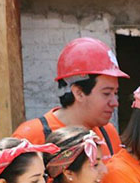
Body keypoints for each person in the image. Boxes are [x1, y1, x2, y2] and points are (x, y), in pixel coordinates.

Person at [12, 36, 127, 164]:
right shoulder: (32, 137)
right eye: (106, 93)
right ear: (79, 93)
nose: (115, 102)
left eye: (115, 93)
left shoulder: (109, 134)